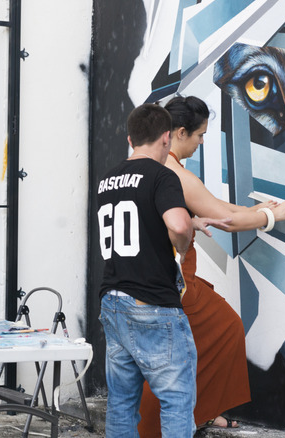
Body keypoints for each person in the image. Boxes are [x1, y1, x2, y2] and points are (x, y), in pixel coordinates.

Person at [137, 96, 285, 436]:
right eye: (199, 135)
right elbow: (222, 219)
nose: (202, 142)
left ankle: (194, 413)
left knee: (208, 337)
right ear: (180, 133)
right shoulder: (173, 173)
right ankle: (158, 426)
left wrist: (253, 211)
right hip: (173, 282)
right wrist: (270, 216)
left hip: (155, 281)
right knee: (212, 336)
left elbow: (214, 206)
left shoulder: (155, 168)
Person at [97, 103, 230, 437]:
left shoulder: (108, 180)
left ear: (131, 139)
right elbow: (176, 224)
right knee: (177, 400)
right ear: (167, 139)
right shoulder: (162, 176)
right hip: (152, 304)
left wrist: (191, 221)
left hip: (113, 302)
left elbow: (141, 220)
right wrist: (184, 244)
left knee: (122, 404)